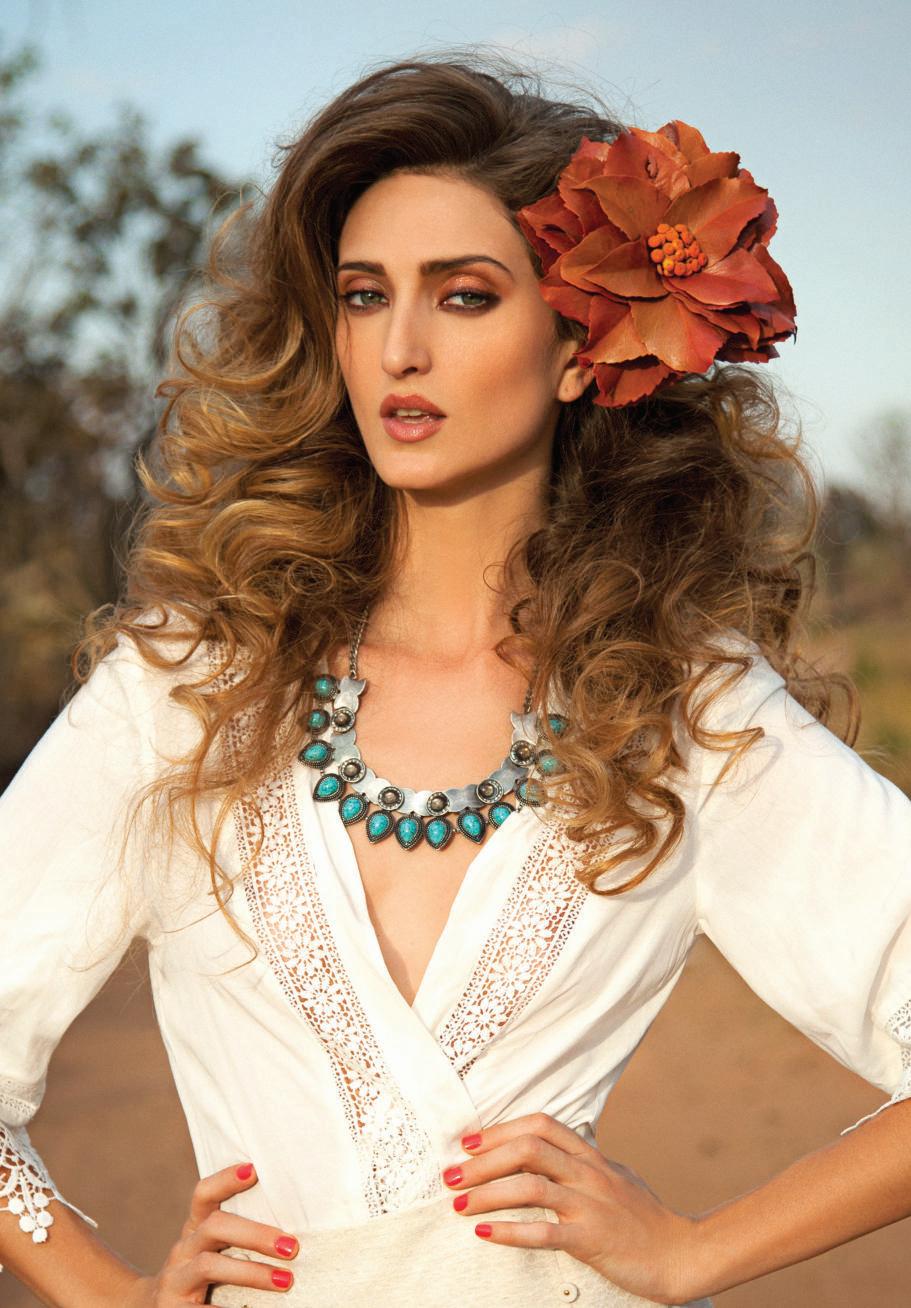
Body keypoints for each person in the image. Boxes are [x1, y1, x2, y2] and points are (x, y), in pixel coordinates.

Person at [1, 46, 910, 1308]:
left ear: (580, 348)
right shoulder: (188, 686)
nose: (399, 348)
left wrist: (692, 1251)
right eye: (364, 295)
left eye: (464, 296)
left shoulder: (680, 708)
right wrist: (111, 1296)